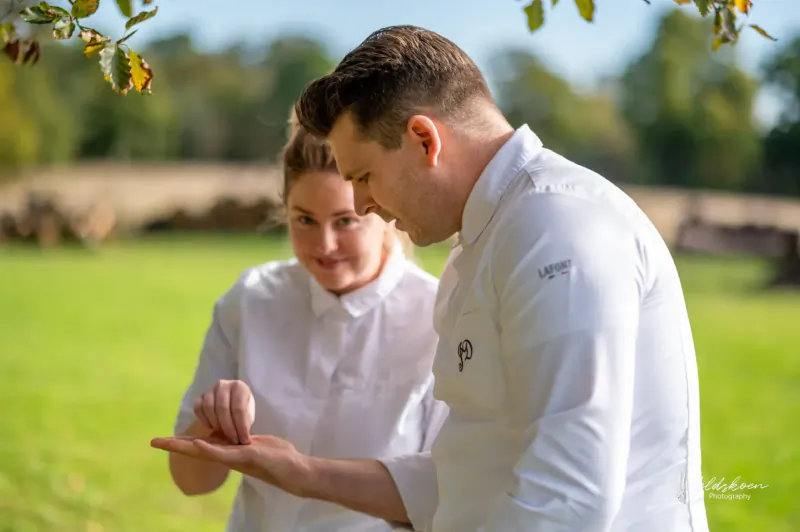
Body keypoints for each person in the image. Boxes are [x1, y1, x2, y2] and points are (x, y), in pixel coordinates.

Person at [153, 25, 709, 532]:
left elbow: (568, 497)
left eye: (364, 176)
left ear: (424, 139)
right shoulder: (485, 243)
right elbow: (462, 476)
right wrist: (302, 472)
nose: (364, 204)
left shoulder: (555, 227)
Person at [160, 108, 448, 532]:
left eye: (346, 220)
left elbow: (446, 499)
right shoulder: (251, 299)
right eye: (305, 220)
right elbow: (190, 482)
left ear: (383, 211)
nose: (324, 245)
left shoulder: (438, 316)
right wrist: (211, 422)